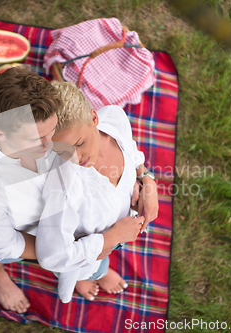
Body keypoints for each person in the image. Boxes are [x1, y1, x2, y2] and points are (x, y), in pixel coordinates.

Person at [0, 67, 146, 313]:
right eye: (36, 139)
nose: (52, 146)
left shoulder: (44, 128)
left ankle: (85, 272)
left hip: (62, 226)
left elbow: (87, 125)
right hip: (20, 234)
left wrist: (143, 177)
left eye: (52, 132)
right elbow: (9, 244)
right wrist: (75, 251)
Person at [36, 81, 159, 303]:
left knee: (103, 260)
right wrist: (111, 238)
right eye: (62, 151)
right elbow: (52, 256)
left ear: (94, 118)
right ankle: (88, 277)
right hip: (88, 252)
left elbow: (131, 151)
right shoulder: (64, 187)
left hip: (117, 231)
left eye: (79, 143)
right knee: (93, 268)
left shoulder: (114, 118)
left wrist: (146, 179)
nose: (75, 158)